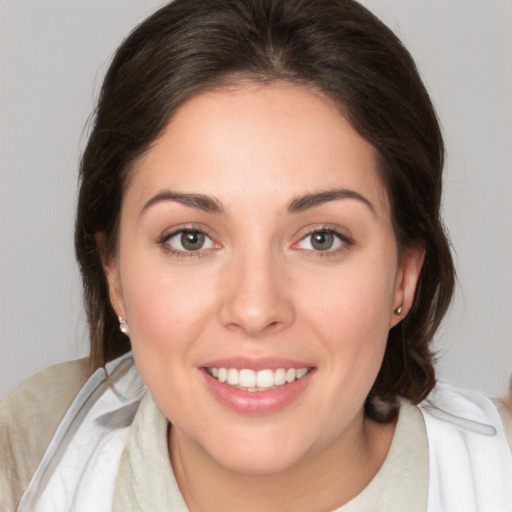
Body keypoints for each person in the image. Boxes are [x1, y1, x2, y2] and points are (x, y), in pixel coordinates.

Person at [1, 0, 511, 510]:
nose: (255, 308)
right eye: (191, 239)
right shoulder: (29, 456)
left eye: (321, 239)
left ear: (403, 275)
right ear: (113, 274)